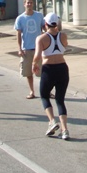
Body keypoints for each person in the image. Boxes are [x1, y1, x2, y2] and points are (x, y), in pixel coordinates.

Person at [32, 12, 70, 140]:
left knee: (44, 95)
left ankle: (52, 121)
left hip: (48, 69)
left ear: (45, 24)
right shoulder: (63, 36)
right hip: (62, 68)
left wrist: (34, 64)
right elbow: (64, 46)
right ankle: (65, 129)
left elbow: (37, 55)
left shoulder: (41, 38)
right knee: (60, 99)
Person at [14, 0, 45, 99]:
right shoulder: (20, 18)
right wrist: (19, 48)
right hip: (26, 48)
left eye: (31, 3)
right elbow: (18, 34)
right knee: (28, 72)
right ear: (24, 4)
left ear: (33, 4)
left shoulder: (39, 16)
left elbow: (45, 29)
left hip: (38, 49)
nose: (29, 4)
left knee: (43, 72)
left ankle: (46, 91)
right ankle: (32, 91)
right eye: (28, 3)